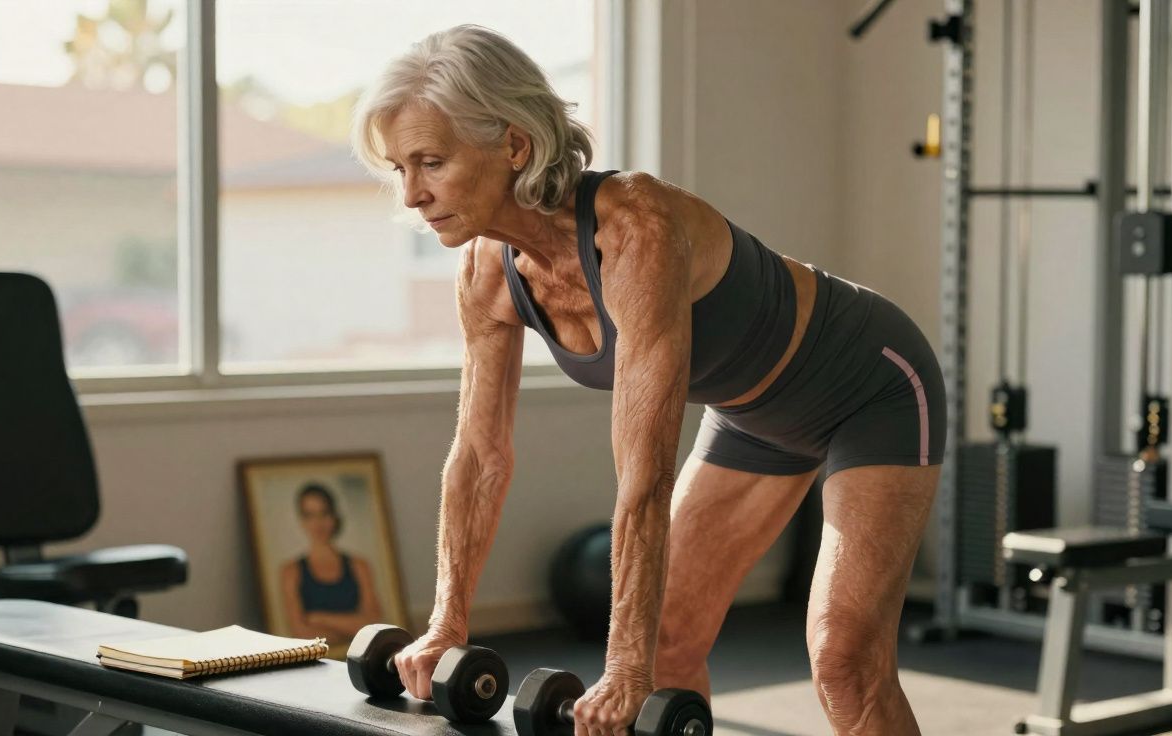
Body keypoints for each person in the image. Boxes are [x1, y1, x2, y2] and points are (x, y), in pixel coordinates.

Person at [349, 24, 946, 735]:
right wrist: (446, 625)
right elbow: (479, 457)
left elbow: (645, 472)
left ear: (515, 146)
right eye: (399, 169)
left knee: (844, 661)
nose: (412, 194)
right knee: (668, 643)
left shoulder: (634, 228)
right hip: (755, 418)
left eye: (431, 162)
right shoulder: (487, 273)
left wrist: (623, 667)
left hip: (869, 386)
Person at [280, 482, 383, 646]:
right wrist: (351, 628)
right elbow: (300, 633)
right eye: (309, 515)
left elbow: (373, 624)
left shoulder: (359, 566)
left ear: (334, 516)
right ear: (302, 521)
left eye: (324, 513)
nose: (318, 523)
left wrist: (320, 619)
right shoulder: (291, 572)